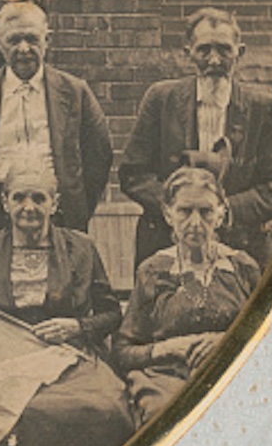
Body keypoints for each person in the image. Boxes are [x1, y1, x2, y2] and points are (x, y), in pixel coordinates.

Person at [0, 159, 135, 446]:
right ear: (5, 202)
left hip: (70, 355)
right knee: (26, 414)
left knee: (108, 409)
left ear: (55, 203)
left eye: (39, 198)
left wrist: (76, 325)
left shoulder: (81, 248)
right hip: (7, 360)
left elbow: (111, 313)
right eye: (20, 197)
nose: (29, 207)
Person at [119, 7, 272, 265]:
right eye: (204, 50)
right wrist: (178, 208)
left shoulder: (265, 109)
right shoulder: (160, 99)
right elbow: (132, 174)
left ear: (240, 52)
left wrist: (222, 212)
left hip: (239, 246)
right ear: (187, 52)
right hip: (166, 244)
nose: (214, 60)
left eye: (224, 50)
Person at [111, 164, 263, 426]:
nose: (195, 223)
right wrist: (168, 347)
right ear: (168, 214)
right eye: (184, 211)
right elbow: (123, 351)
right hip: (165, 378)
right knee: (167, 416)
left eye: (205, 211)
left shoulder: (243, 267)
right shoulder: (153, 271)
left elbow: (268, 335)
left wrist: (225, 341)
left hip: (230, 373)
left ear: (220, 213)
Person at [0, 3, 115, 240]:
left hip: (57, 214)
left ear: (47, 40)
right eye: (14, 40)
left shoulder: (75, 92)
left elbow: (99, 156)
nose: (23, 49)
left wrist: (76, 204)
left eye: (32, 39)